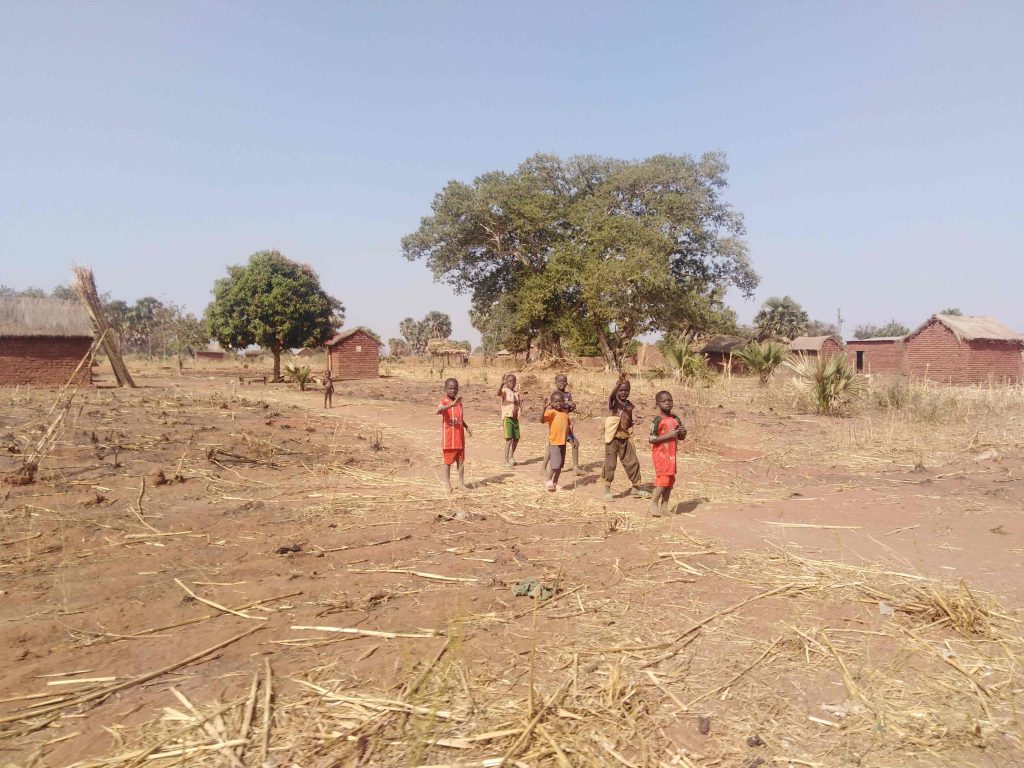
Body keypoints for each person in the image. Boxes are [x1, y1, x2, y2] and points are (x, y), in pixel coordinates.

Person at [602, 373, 651, 501]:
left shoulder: (629, 405)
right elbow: (612, 395)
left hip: (625, 437)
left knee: (632, 462)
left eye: (626, 390)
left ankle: (636, 488)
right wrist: (618, 383)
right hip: (612, 438)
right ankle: (607, 490)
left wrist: (632, 423)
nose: (624, 392)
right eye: (621, 390)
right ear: (617, 390)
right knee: (610, 464)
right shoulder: (614, 403)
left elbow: (627, 420)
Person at [649, 390, 687, 516]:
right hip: (660, 454)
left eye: (670, 400)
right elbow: (651, 439)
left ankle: (664, 507)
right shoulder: (657, 420)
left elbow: (681, 437)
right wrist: (669, 435)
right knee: (663, 479)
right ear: (657, 404)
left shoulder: (676, 419)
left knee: (670, 480)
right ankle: (653, 504)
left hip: (671, 454)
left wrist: (682, 432)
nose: (668, 403)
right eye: (664, 401)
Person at [436, 378, 472, 492]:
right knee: (448, 462)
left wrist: (466, 427)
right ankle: (447, 483)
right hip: (449, 438)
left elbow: (459, 418)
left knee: (460, 462)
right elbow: (439, 410)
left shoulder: (459, 402)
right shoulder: (444, 401)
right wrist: (451, 405)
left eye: (455, 388)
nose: (453, 390)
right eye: (450, 388)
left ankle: (461, 483)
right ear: (445, 389)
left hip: (459, 438)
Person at [543, 374, 580, 474]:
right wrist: (567, 403)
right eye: (559, 381)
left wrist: (573, 407)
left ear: (567, 383)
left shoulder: (568, 395)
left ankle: (576, 468)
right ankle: (543, 467)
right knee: (552, 446)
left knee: (575, 443)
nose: (562, 383)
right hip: (557, 425)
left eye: (564, 381)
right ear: (555, 383)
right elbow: (554, 407)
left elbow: (569, 410)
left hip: (566, 425)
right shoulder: (554, 394)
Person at [541, 390, 571, 491]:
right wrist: (543, 409)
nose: (558, 403)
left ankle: (555, 482)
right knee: (555, 465)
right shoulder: (551, 412)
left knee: (560, 466)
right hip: (554, 442)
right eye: (556, 402)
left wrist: (571, 438)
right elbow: (542, 420)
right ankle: (548, 480)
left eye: (561, 401)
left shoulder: (565, 413)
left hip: (563, 442)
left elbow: (568, 426)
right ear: (552, 403)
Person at [497, 373, 522, 467]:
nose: (512, 383)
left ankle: (511, 456)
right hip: (507, 417)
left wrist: (519, 411)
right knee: (508, 440)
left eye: (514, 381)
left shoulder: (516, 393)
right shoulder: (504, 390)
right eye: (510, 381)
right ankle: (506, 460)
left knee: (516, 438)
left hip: (515, 418)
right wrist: (501, 384)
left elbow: (518, 404)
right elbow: (498, 393)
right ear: (506, 382)